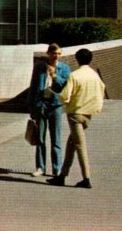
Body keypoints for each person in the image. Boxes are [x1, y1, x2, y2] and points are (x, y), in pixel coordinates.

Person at [47, 48, 106, 189]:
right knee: (71, 144)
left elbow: (65, 96)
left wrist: (54, 92)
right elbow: (102, 91)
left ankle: (86, 179)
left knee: (80, 146)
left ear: (77, 59)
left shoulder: (75, 75)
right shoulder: (95, 76)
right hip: (89, 114)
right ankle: (62, 176)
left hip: (75, 114)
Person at [27, 43, 71, 177]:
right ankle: (41, 167)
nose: (56, 56)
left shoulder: (64, 68)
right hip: (42, 104)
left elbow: (65, 85)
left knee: (55, 138)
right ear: (48, 53)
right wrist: (31, 107)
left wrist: (54, 76)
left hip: (56, 105)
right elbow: (33, 86)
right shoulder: (40, 67)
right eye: (53, 53)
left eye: (58, 54)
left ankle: (56, 168)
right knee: (40, 137)